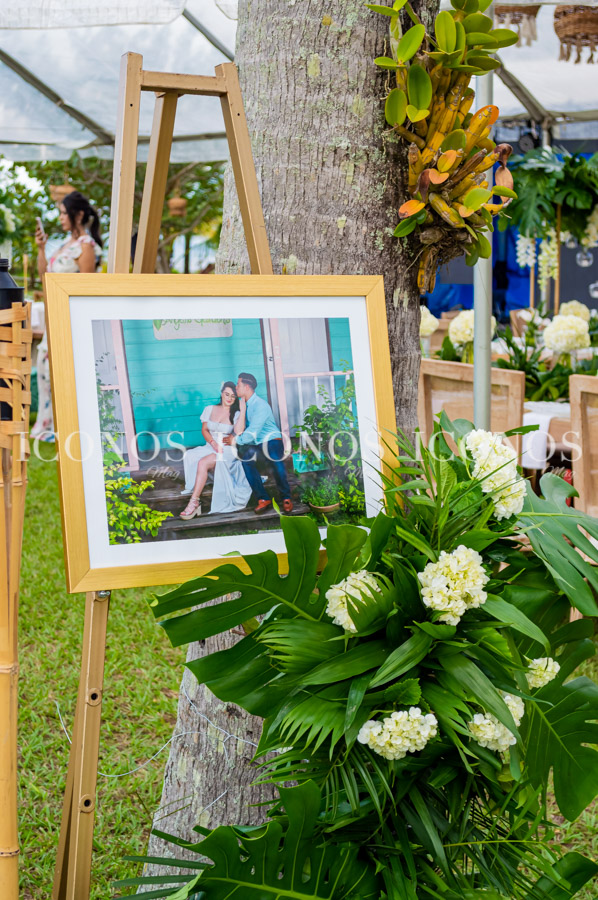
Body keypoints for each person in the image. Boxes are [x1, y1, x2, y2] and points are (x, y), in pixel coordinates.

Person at [32, 191, 103, 441]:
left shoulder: (86, 247)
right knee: (44, 370)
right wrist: (41, 248)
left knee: (61, 374)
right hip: (54, 317)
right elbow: (45, 276)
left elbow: (86, 288)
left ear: (79, 214)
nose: (61, 218)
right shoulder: (64, 245)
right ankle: (46, 426)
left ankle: (66, 429)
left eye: (64, 213)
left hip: (68, 321)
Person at [222, 372, 293, 513]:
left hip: (271, 440)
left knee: (275, 457)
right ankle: (263, 498)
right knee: (245, 457)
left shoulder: (260, 405)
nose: (236, 387)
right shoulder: (245, 404)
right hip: (256, 443)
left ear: (247, 387)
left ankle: (286, 497)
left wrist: (235, 440)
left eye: (238, 385)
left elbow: (252, 432)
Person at [180, 381, 252, 519]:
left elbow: (239, 431)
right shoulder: (210, 408)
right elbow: (204, 430)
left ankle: (194, 502)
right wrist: (213, 443)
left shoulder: (236, 413)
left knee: (203, 463)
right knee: (190, 455)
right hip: (212, 445)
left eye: (232, 396)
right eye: (227, 394)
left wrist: (243, 410)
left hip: (226, 449)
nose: (229, 398)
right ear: (221, 393)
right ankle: (210, 475)